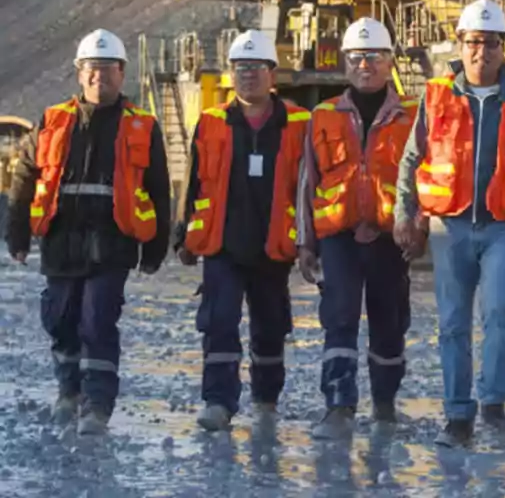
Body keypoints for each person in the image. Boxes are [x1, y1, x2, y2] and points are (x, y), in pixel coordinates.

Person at [394, 0, 505, 449]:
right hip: (452, 227)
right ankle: (457, 416)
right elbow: (412, 159)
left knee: (499, 310)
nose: (483, 51)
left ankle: (494, 404)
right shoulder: (436, 96)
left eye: (492, 43)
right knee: (453, 323)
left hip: (504, 225)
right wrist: (405, 214)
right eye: (474, 42)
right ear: (460, 45)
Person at [4, 29, 170, 434]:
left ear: (122, 72)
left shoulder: (143, 126)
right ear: (79, 73)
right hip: (61, 239)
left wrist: (155, 249)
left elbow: (159, 190)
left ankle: (98, 404)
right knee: (60, 319)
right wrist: (18, 234)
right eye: (91, 69)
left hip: (113, 241)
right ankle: (69, 391)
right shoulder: (52, 120)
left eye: (108, 69)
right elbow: (25, 176)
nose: (100, 77)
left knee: (97, 321)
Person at [176, 30, 310, 431]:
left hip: (273, 245)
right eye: (240, 68)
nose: (247, 75)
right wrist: (183, 233)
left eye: (255, 68)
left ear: (273, 73)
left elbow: (311, 184)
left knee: (270, 326)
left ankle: (266, 399)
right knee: (219, 322)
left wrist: (312, 242)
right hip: (223, 243)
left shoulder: (299, 121)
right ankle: (218, 402)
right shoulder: (212, 121)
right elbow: (194, 179)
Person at [296, 17, 418, 439]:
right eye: (356, 57)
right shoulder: (323, 116)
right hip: (338, 238)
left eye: (374, 57)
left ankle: (385, 405)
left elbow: (425, 178)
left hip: (389, 238)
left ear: (389, 63)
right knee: (339, 318)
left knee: (389, 322)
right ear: (344, 63)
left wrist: (417, 227)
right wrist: (304, 241)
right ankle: (338, 406)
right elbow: (307, 181)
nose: (364, 65)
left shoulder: (412, 115)